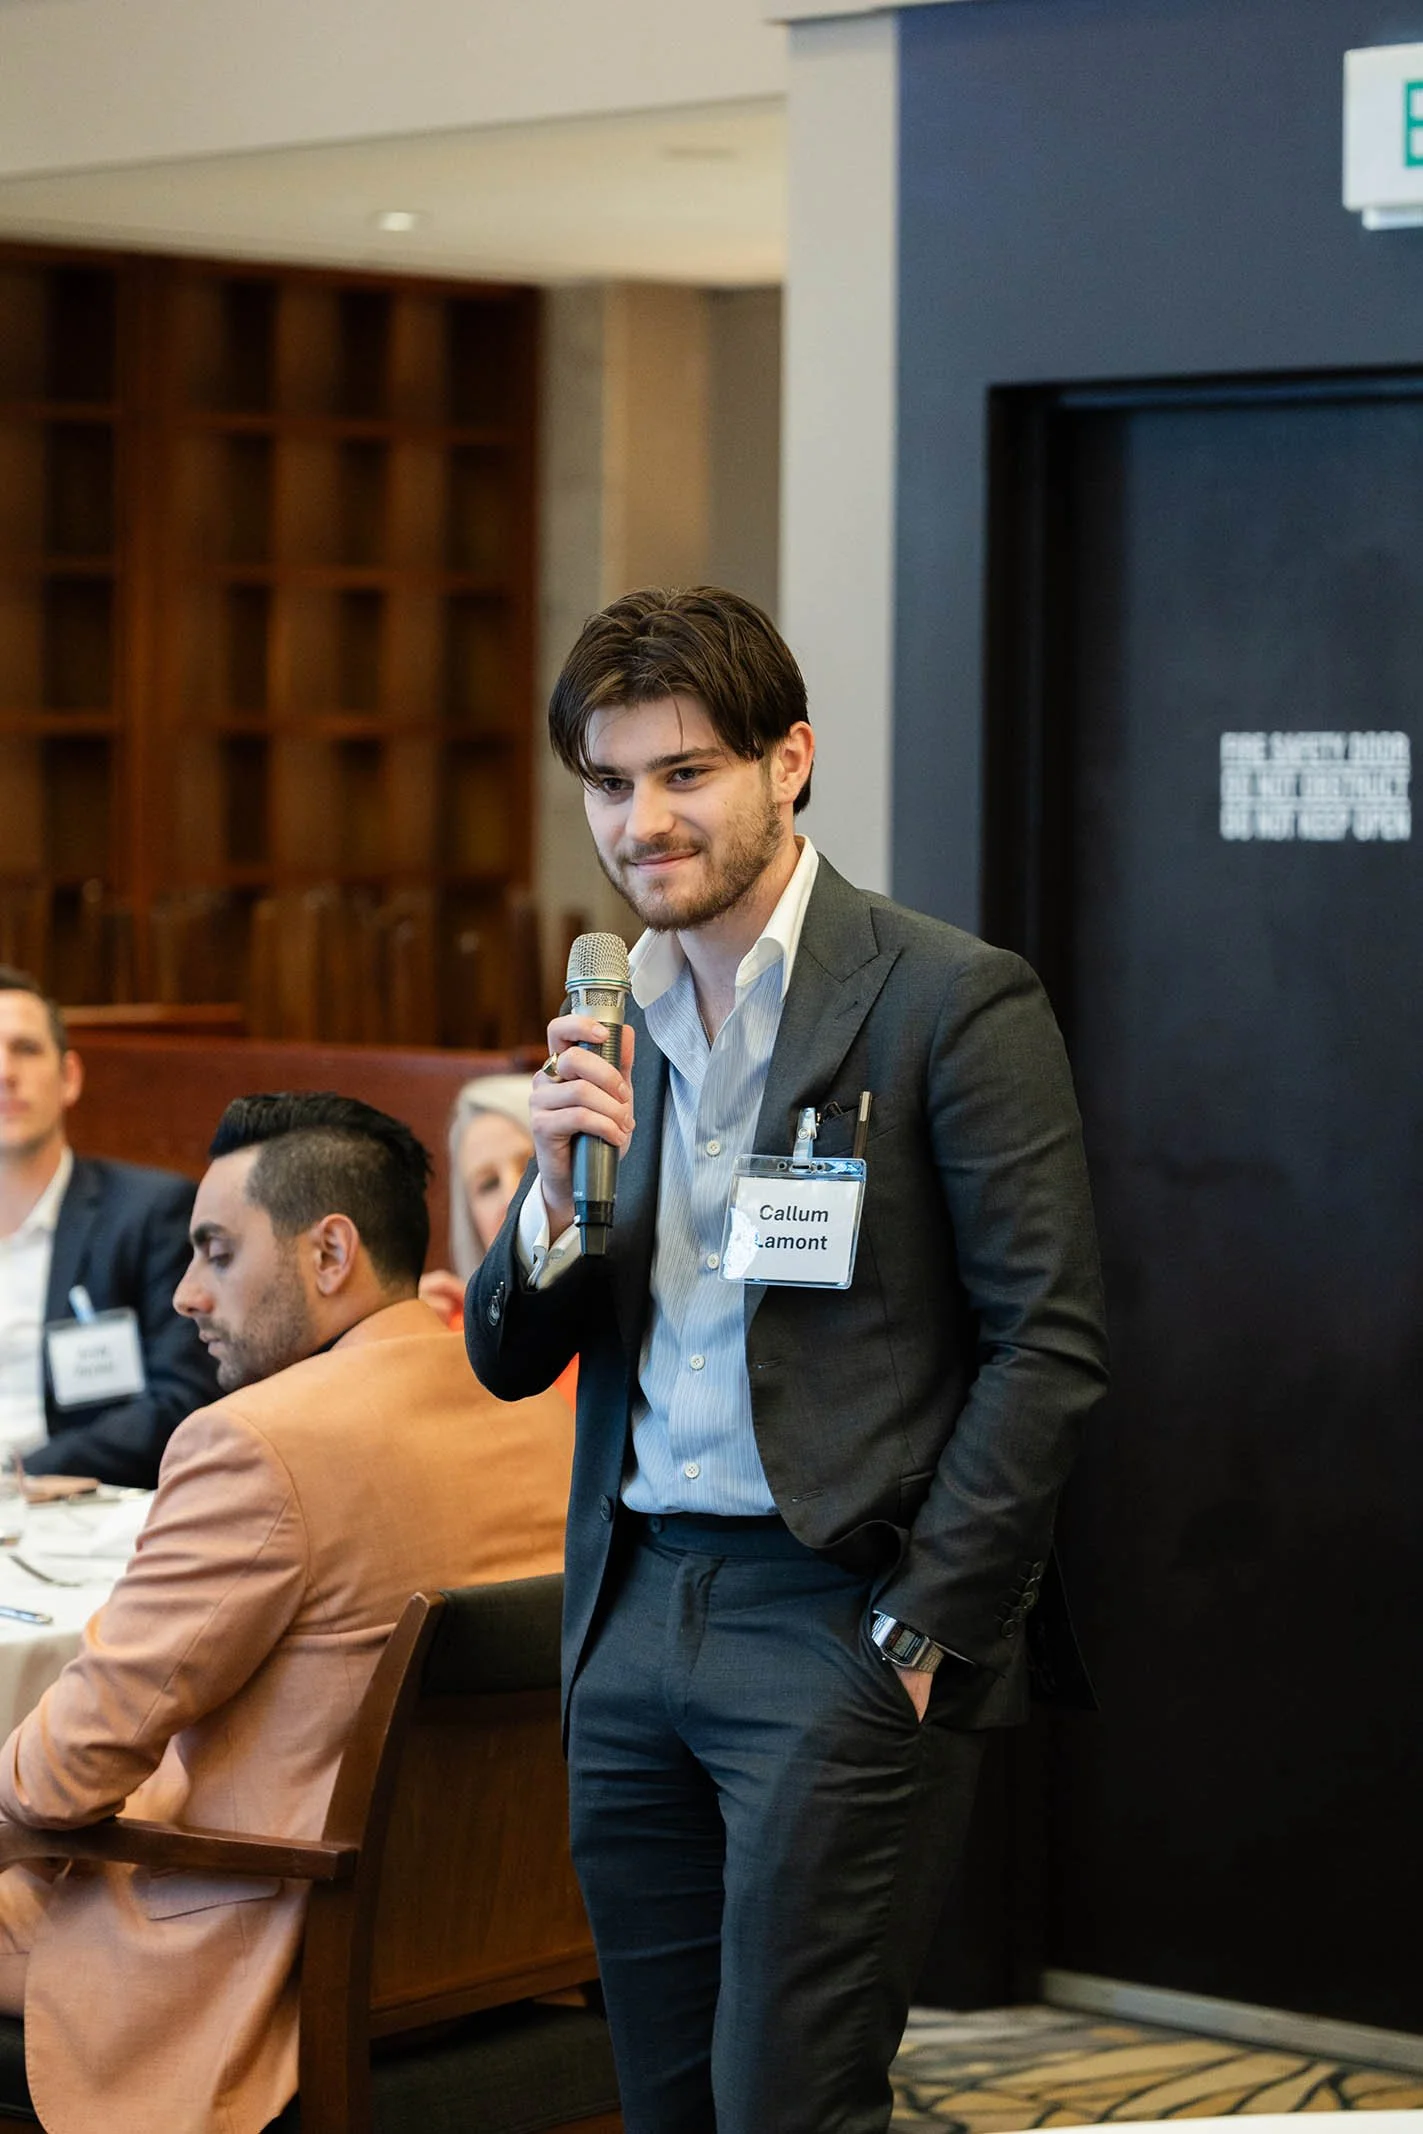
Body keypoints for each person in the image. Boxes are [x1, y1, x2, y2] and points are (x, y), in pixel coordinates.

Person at [467, 587, 1109, 2134]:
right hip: (629, 1620)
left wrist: (920, 1631)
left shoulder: (943, 999)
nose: (643, 822)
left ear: (788, 762)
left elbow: (1048, 1342)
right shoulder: (602, 1020)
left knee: (786, 2104)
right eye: (609, 784)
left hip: (833, 1621)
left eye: (683, 773)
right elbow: (505, 1353)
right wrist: (550, 1203)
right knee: (663, 2098)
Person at [0, 1091, 574, 2134]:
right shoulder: (542, 1413)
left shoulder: (254, 1444)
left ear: (329, 1253)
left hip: (274, 1956)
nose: (184, 1295)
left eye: (216, 1252)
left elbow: (58, 1776)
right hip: (507, 1945)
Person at [0, 967, 217, 1486]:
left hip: (76, 1507)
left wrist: (18, 1475)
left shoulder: (149, 1213)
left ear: (69, 1077)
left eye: (25, 1049)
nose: (5, 1071)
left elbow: (182, 1400)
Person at [420, 1076, 578, 1407]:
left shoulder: (629, 1315)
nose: (510, 1196)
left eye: (529, 1165)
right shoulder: (440, 1328)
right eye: (488, 1184)